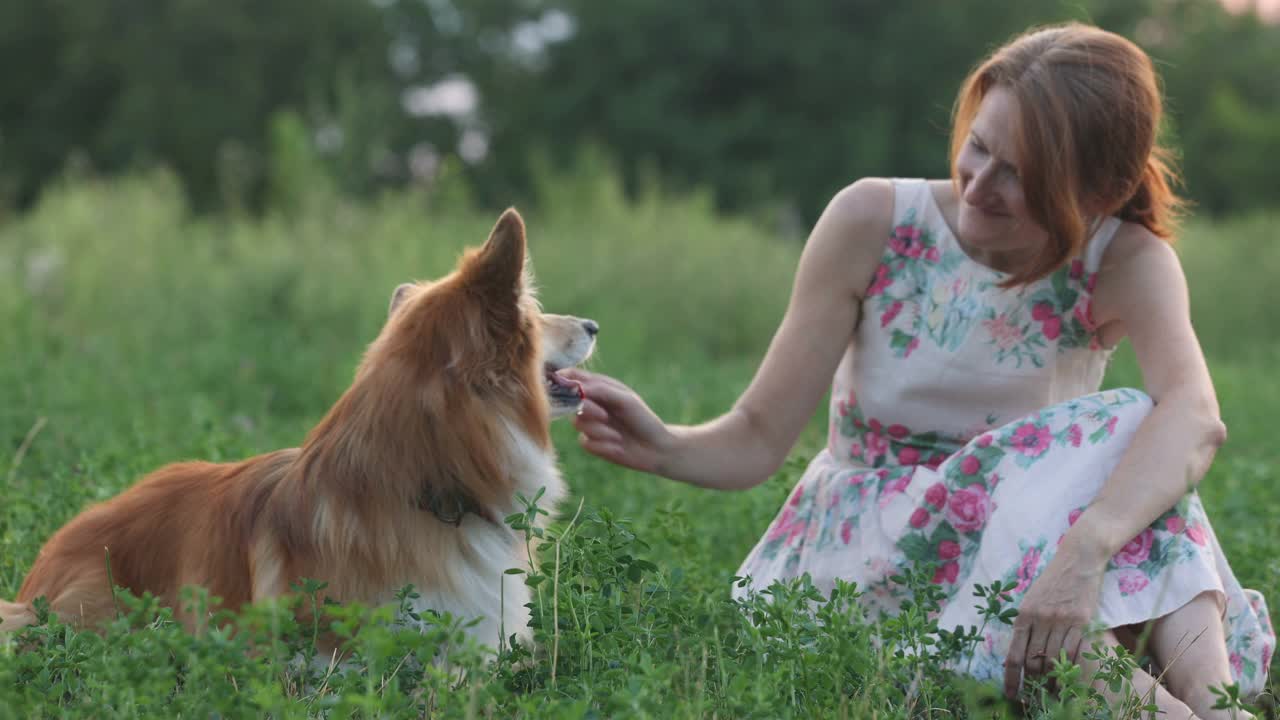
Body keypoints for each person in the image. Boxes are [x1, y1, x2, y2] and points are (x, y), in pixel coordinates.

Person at [563, 22, 1274, 719]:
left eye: (1019, 176)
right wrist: (661, 442)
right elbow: (756, 435)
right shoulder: (873, 218)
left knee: (1142, 431)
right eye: (978, 147)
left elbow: (1196, 418)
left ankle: (1215, 704)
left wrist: (1087, 549)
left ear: (1099, 192)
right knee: (1118, 454)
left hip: (1039, 550)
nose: (979, 185)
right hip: (876, 556)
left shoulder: (1126, 258)